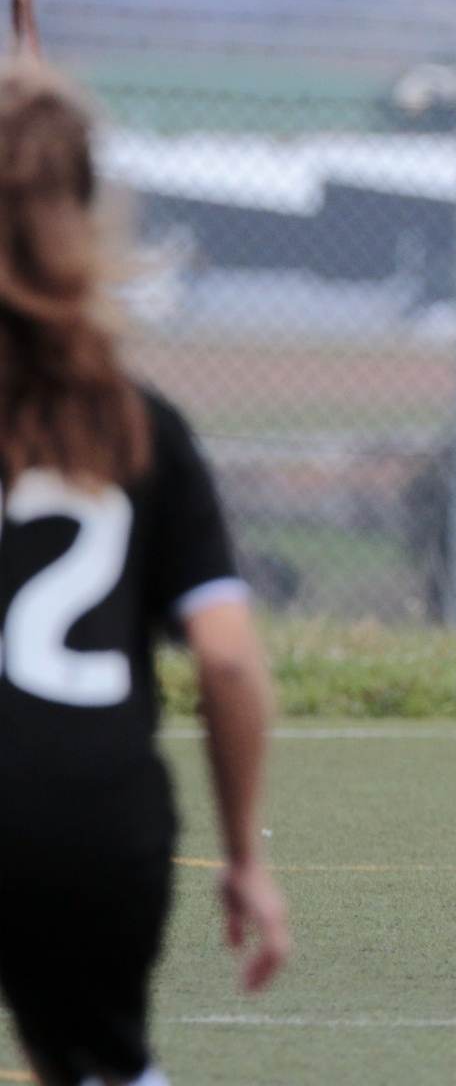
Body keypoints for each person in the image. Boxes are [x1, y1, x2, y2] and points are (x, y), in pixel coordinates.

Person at [0, 60, 290, 1084]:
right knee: (98, 1061)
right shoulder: (141, 427)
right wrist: (244, 858)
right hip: (97, 814)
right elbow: (227, 662)